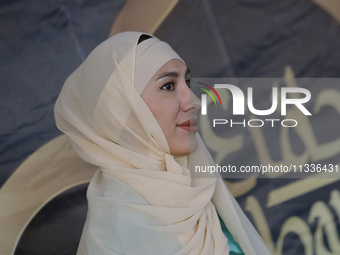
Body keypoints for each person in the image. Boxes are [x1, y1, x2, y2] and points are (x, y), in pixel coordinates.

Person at [54, 31, 271, 255]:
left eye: (187, 82)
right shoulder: (111, 237)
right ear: (120, 110)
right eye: (168, 86)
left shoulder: (197, 192)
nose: (194, 102)